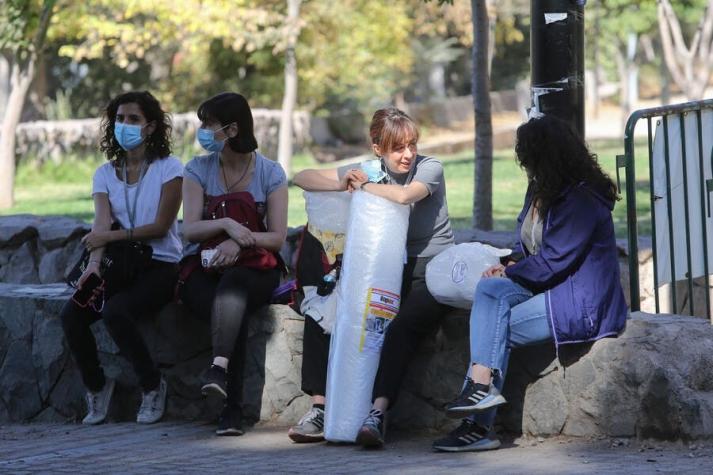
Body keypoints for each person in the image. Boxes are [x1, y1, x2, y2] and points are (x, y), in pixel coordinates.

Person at [433, 114, 628, 452]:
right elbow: (533, 248)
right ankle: (481, 393)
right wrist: (510, 265)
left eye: (529, 158)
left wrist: (511, 272)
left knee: (495, 329)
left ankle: (476, 427)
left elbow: (555, 260)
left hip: (579, 301)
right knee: (490, 292)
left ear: (548, 156)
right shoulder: (541, 188)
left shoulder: (581, 199)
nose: (525, 166)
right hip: (548, 286)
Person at [288, 107, 455, 447]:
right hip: (381, 268)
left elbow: (406, 196)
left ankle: (377, 414)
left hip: (427, 267)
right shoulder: (370, 169)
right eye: (397, 147)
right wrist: (340, 182)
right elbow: (301, 176)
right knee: (323, 313)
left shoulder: (429, 167)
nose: (408, 154)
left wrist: (362, 188)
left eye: (412, 144)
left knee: (397, 326)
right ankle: (320, 408)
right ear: (378, 148)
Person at [60, 91, 183, 425]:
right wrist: (94, 267)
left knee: (117, 311)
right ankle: (97, 387)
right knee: (72, 313)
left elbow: (160, 226)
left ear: (151, 126)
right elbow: (101, 224)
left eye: (133, 119)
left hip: (160, 264)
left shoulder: (170, 169)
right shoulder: (104, 174)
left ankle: (153, 384)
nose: (124, 125)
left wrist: (108, 238)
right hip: (119, 263)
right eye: (119, 119)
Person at [179, 92, 288, 436]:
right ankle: (231, 406)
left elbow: (277, 237)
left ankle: (222, 383)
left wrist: (240, 244)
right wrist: (226, 225)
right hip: (203, 267)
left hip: (255, 267)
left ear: (232, 129)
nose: (202, 131)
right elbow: (190, 230)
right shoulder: (197, 169)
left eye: (209, 124)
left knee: (234, 288)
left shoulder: (270, 173)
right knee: (228, 306)